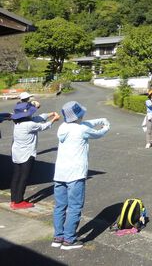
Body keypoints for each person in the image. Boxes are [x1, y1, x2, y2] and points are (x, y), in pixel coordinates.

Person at [52, 101, 110, 250]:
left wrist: (99, 119)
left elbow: (84, 123)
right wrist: (106, 126)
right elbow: (98, 133)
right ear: (78, 116)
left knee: (60, 206)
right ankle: (69, 240)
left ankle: (58, 237)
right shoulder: (81, 130)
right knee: (74, 207)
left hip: (60, 173)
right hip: (75, 174)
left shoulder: (63, 127)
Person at [10, 92, 60, 209]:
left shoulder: (18, 122)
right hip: (27, 154)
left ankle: (14, 200)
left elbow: (38, 118)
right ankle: (18, 202)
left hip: (17, 153)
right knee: (24, 177)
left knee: (16, 176)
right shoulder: (29, 125)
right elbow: (43, 126)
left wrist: (50, 113)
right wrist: (54, 119)